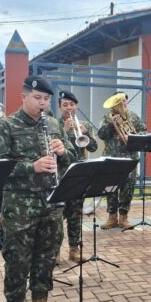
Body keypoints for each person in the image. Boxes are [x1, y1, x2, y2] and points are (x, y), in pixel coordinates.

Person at [0, 76, 77, 302]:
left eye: (46, 99)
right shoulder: (7, 125)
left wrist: (63, 152)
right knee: (17, 261)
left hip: (50, 203)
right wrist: (32, 166)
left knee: (46, 259)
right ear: (24, 97)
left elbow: (72, 158)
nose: (42, 103)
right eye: (37, 98)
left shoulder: (52, 124)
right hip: (20, 206)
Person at [57, 90, 99, 262]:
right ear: (60, 107)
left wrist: (86, 133)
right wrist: (64, 131)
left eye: (72, 104)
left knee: (75, 215)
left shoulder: (83, 124)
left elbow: (93, 147)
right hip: (60, 176)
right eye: (65, 105)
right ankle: (55, 251)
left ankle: (74, 250)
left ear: (76, 106)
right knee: (57, 216)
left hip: (78, 175)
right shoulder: (54, 124)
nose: (69, 108)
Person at [97, 91, 147, 230]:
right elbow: (101, 135)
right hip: (112, 159)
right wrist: (112, 124)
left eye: (124, 100)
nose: (123, 103)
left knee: (128, 188)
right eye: (120, 101)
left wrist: (132, 136)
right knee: (111, 188)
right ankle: (112, 217)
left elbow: (144, 131)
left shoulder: (133, 117)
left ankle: (124, 217)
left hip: (130, 159)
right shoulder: (107, 118)